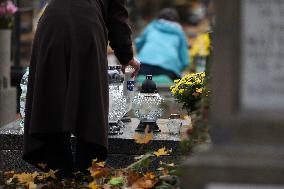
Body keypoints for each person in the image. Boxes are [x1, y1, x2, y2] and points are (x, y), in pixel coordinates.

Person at [23, 0, 140, 179]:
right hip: (86, 27)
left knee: (52, 93)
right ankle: (85, 171)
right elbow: (117, 19)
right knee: (89, 95)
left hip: (51, 23)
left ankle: (60, 171)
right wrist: (127, 58)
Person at [135, 8, 189, 81]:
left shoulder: (151, 27)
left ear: (159, 18)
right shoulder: (180, 33)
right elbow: (185, 60)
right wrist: (178, 68)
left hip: (144, 65)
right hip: (168, 69)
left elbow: (138, 44)